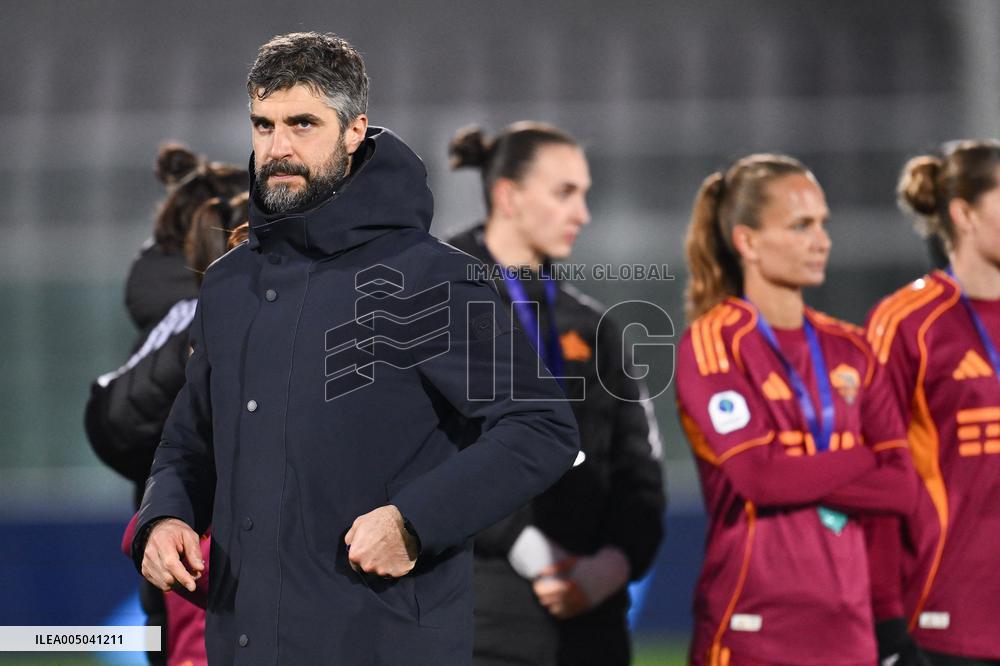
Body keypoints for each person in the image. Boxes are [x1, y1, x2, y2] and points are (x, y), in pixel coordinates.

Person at [130, 32, 579, 665]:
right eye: (263, 125)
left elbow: (540, 428)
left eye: (302, 124)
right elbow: (188, 442)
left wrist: (415, 522)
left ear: (353, 130)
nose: (277, 147)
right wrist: (166, 516)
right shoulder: (230, 282)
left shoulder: (429, 277)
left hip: (383, 644)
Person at [676, 153, 920, 664]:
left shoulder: (852, 349)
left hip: (850, 635)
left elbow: (902, 486)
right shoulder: (713, 343)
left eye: (823, 224)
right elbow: (757, 477)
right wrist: (858, 457)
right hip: (752, 631)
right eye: (801, 225)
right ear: (747, 242)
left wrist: (796, 468)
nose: (822, 240)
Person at [445, 123, 665, 665]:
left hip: (590, 619)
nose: (582, 213)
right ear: (509, 197)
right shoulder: (438, 302)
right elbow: (425, 452)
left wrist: (614, 563)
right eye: (565, 192)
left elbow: (639, 467)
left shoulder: (596, 325)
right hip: (476, 615)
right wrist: (524, 545)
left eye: (584, 194)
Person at [85, 147, 246, 666]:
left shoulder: (176, 322)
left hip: (193, 583)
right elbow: (118, 422)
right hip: (207, 583)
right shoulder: (201, 319)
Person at [866, 141, 1000, 665]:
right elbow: (873, 480)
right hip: (943, 618)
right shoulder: (906, 323)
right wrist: (883, 622)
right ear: (964, 214)